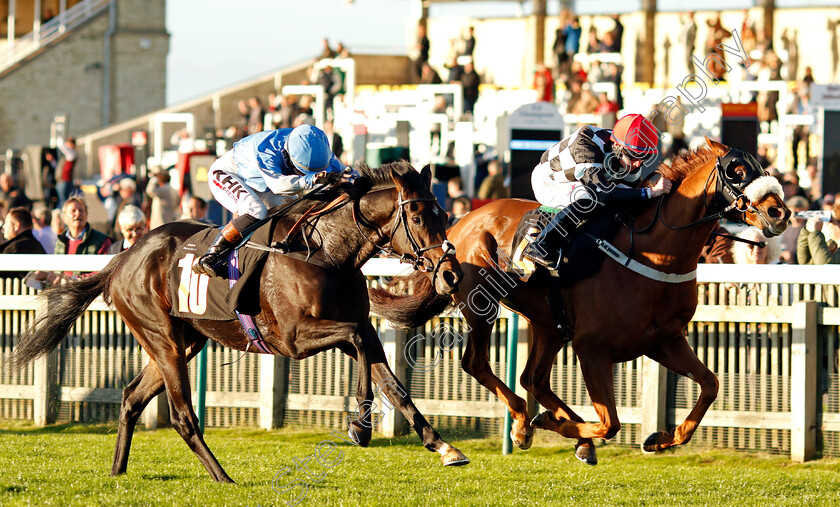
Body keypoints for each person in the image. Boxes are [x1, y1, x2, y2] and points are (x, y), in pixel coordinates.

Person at [192, 124, 349, 276]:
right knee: (256, 210)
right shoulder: (267, 150)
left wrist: (360, 181)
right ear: (289, 155)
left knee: (291, 211)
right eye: (300, 171)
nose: (302, 175)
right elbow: (278, 185)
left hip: (261, 184)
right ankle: (211, 256)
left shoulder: (318, 150)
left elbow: (348, 172)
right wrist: (311, 179)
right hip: (228, 174)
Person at [523, 114, 672, 269]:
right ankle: (541, 245)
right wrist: (649, 193)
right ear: (617, 147)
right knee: (591, 199)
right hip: (550, 181)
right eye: (634, 156)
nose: (637, 164)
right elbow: (602, 192)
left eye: (644, 157)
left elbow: (629, 193)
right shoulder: (587, 143)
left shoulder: (630, 155)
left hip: (584, 182)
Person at [56, 136, 78, 206]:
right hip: (62, 181)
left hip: (65, 181)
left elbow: (61, 145)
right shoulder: (68, 155)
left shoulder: (72, 153)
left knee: (63, 202)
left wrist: (59, 136)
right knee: (62, 201)